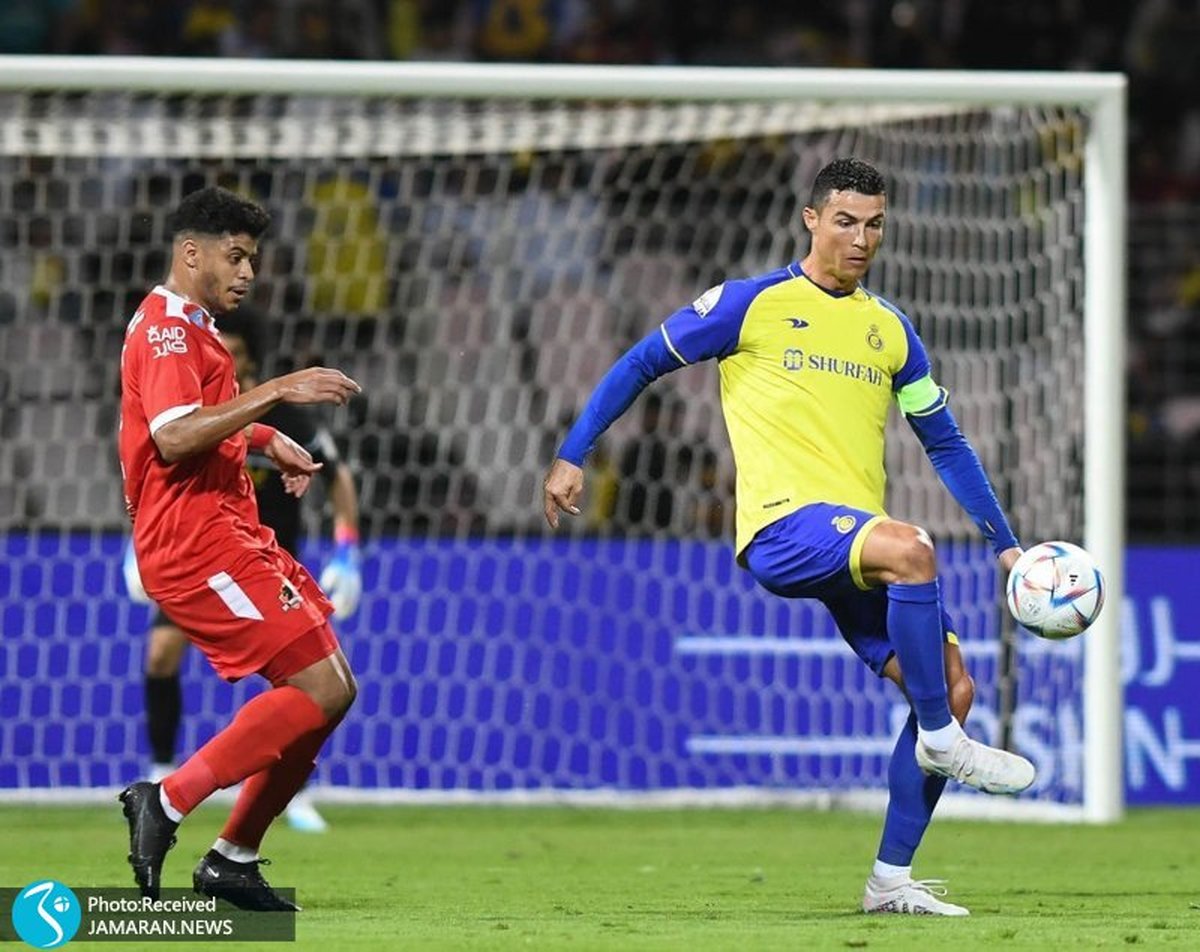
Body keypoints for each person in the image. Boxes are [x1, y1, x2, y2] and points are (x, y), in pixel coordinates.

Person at [543, 157, 1034, 918]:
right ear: (812, 219)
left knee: (953, 686)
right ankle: (942, 740)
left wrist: (1005, 544)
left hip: (851, 540)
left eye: (875, 225)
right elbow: (643, 362)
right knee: (914, 551)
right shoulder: (752, 304)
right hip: (783, 526)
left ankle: (890, 881)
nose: (861, 239)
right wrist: (574, 453)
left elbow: (943, 441)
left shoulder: (890, 330)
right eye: (845, 221)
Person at [117, 185, 361, 910]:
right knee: (316, 689)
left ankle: (233, 857)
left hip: (229, 531)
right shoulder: (167, 332)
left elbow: (196, 421)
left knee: (335, 690)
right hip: (195, 544)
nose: (248, 272)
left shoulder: (193, 329)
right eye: (236, 256)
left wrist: (262, 436)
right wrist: (278, 392)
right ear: (191, 253)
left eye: (252, 259)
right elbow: (172, 436)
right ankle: (166, 800)